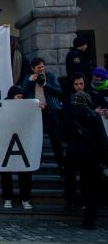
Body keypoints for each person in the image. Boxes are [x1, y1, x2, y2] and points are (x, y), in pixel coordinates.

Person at [62, 87, 108, 230]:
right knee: (92, 189)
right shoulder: (94, 117)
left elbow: (63, 135)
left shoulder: (70, 117)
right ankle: (89, 220)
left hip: (76, 156)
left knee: (84, 187)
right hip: (92, 157)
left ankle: (78, 207)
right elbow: (102, 139)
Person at [22, 57, 65, 175]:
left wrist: (45, 85)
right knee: (36, 138)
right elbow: (23, 93)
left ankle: (61, 165)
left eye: (42, 67)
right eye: (38, 67)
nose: (41, 69)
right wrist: (30, 82)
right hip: (35, 113)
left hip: (50, 111)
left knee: (56, 139)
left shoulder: (50, 76)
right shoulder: (28, 77)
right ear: (32, 68)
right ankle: (38, 162)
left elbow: (58, 91)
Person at [0, 86, 34, 210]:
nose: (21, 100)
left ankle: (25, 199)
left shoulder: (28, 109)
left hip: (23, 144)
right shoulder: (3, 108)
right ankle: (7, 198)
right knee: (6, 174)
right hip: (6, 144)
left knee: (25, 172)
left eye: (22, 97)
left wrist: (38, 109)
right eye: (18, 97)